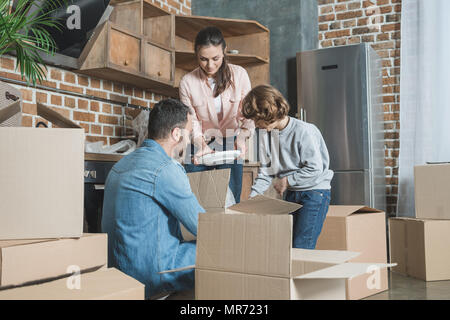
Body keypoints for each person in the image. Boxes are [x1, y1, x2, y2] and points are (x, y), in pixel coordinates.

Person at [101, 99, 205, 299]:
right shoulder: (166, 169)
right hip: (151, 277)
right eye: (189, 134)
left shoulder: (120, 165)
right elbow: (202, 226)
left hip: (118, 274)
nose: (189, 141)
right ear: (176, 134)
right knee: (220, 249)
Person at [241, 85, 334, 249]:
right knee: (287, 245)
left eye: (257, 119)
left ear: (269, 112)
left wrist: (287, 181)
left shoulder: (304, 131)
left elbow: (315, 168)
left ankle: (301, 275)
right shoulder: (264, 134)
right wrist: (252, 199)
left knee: (302, 245)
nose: (255, 124)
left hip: (314, 193)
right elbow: (266, 172)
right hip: (292, 194)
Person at [179, 26, 255, 204]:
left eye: (215, 58)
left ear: (224, 51)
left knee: (228, 200)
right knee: (196, 198)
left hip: (231, 140)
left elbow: (248, 115)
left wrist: (242, 138)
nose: (210, 65)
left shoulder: (240, 75)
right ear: (196, 54)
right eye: (203, 59)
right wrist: (201, 144)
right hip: (199, 142)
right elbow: (192, 121)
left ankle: (227, 231)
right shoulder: (187, 82)